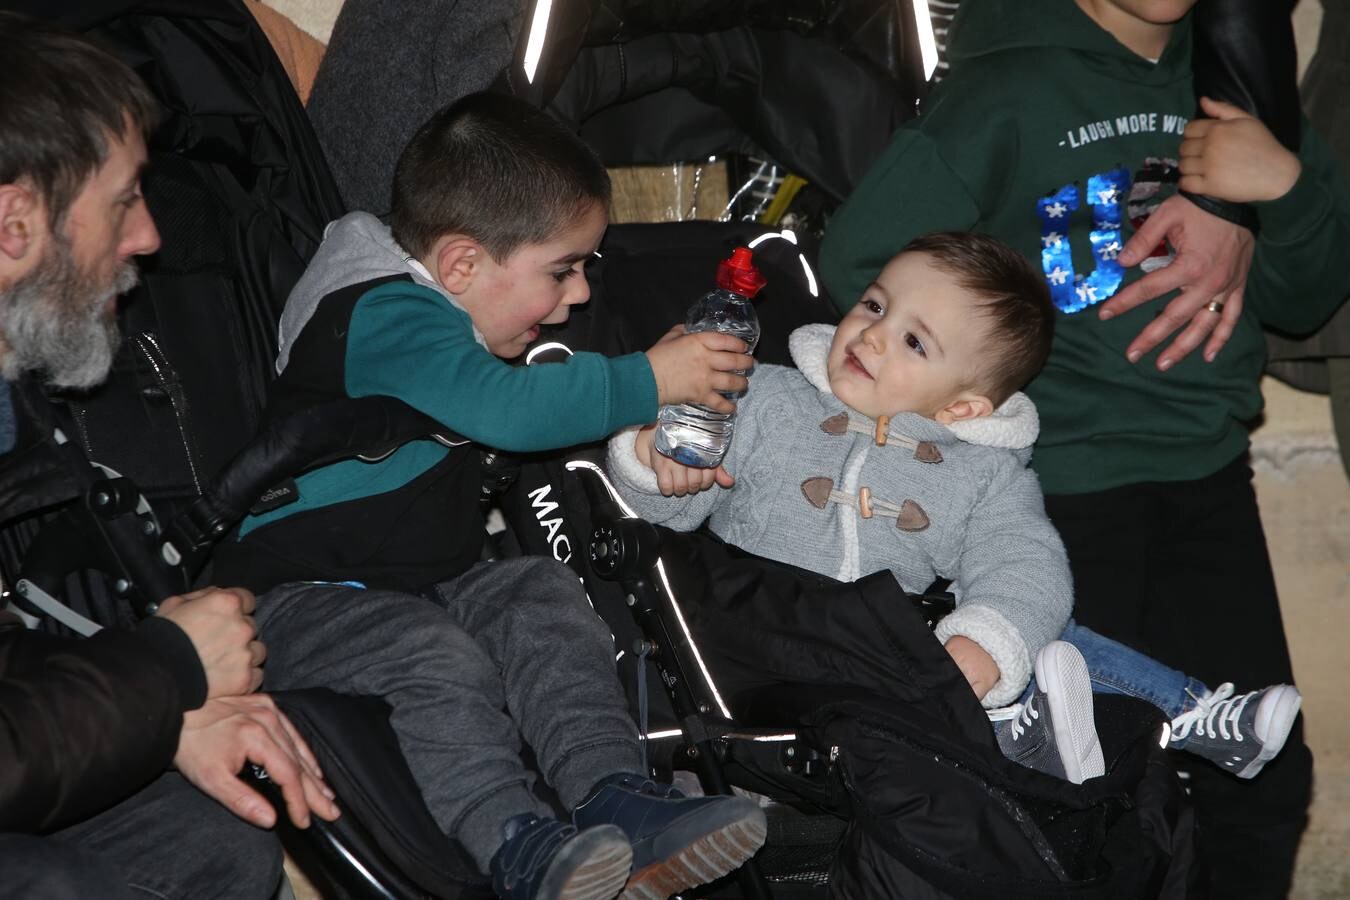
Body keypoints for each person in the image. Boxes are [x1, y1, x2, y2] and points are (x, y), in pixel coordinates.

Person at [815, 1, 1350, 895]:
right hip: (1058, 491)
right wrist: (994, 346)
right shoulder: (1005, 86)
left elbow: (1307, 295)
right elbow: (861, 261)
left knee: (1262, 776)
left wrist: (1280, 194)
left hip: (1208, 475)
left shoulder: (1237, 80)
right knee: (1104, 790)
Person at [211, 91, 767, 900]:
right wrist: (651, 380)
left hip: (422, 581)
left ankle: (617, 794)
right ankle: (513, 840)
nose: (578, 295)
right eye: (563, 270)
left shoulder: (444, 313)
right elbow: (507, 410)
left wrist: (648, 449)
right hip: (287, 600)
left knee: (537, 592)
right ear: (462, 264)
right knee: (425, 649)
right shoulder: (381, 312)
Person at [607, 231, 1304, 786]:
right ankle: (1040, 724)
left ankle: (1155, 716)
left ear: (965, 407)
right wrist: (654, 457)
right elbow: (666, 518)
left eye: (914, 342)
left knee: (1027, 615)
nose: (873, 335)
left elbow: (1025, 561)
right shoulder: (766, 397)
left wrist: (988, 641)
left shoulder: (983, 473)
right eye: (876, 306)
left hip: (887, 668)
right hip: (753, 642)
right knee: (1003, 642)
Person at [0, 13, 340, 899]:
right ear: (13, 225)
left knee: (212, 842)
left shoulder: (13, 402)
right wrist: (167, 669)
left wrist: (167, 723)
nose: (149, 236)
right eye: (123, 200)